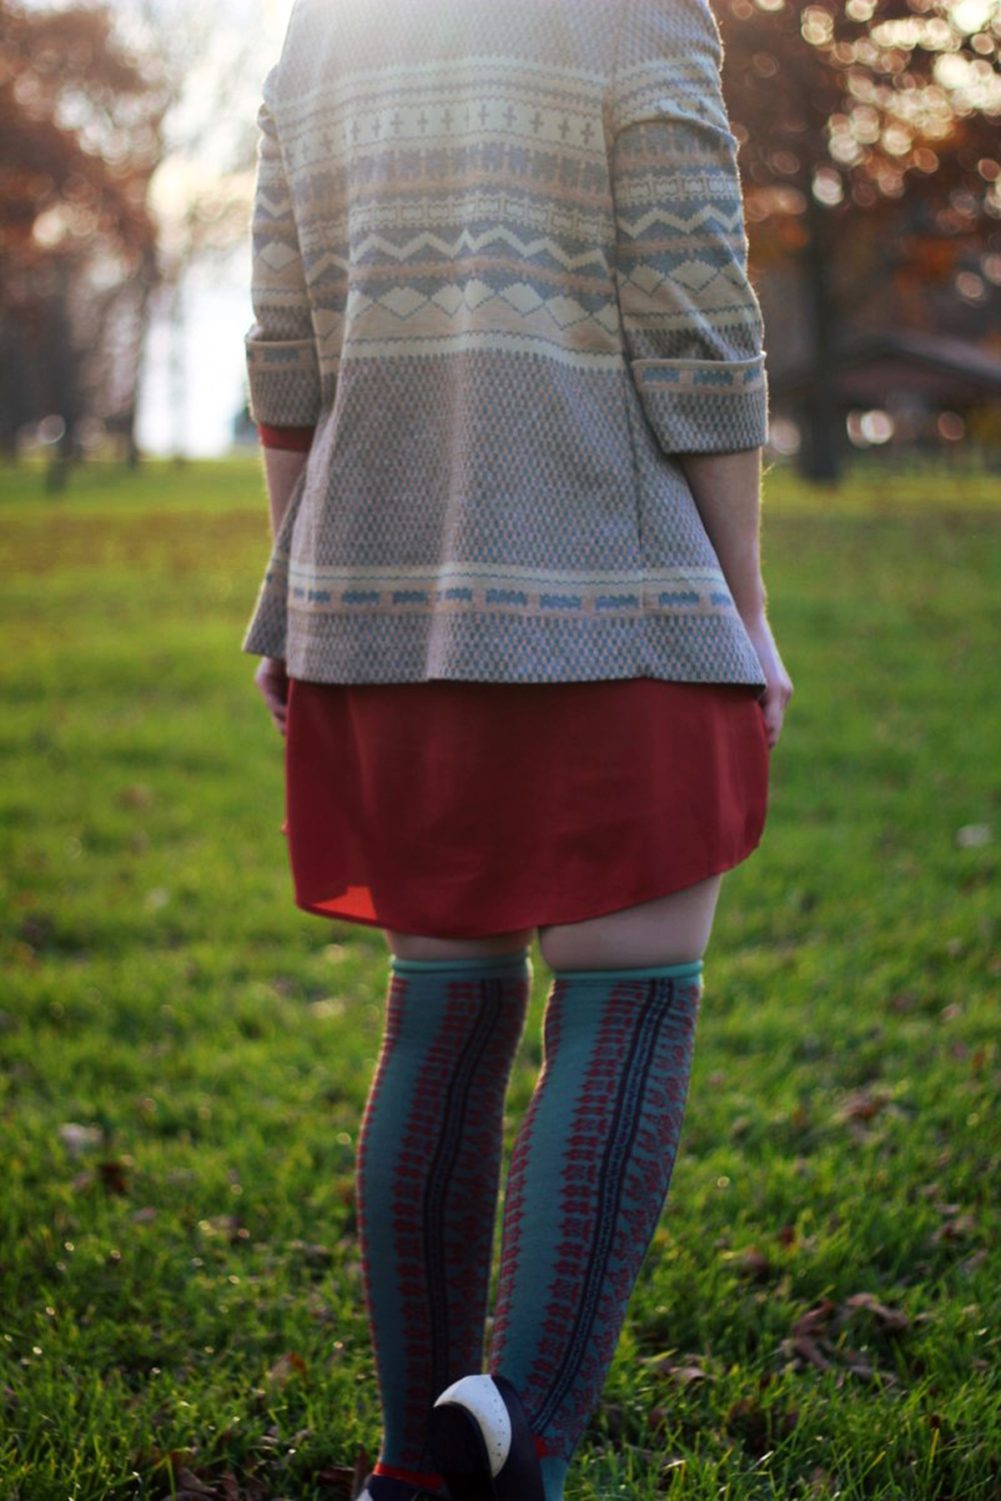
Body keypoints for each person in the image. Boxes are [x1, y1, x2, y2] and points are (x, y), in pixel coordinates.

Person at [243, 0, 793, 1497]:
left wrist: (299, 582)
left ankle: (413, 1469)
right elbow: (697, 322)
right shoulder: (632, 15)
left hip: (380, 590)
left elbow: (283, 340)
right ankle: (519, 1438)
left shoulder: (324, 32)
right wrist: (741, 606)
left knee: (440, 1012)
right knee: (624, 995)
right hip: (608, 590)